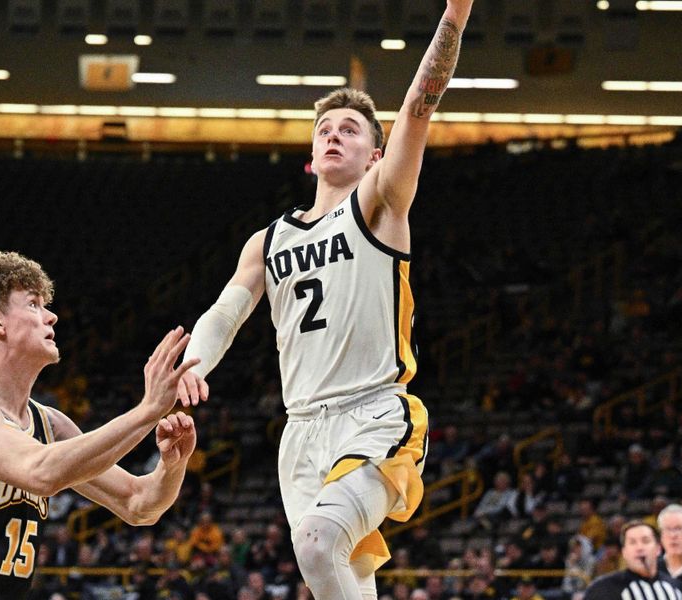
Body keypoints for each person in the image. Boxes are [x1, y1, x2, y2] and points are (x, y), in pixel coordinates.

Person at [176, 1, 475, 597]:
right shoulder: (268, 241)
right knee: (337, 577)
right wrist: (193, 363)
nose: (335, 136)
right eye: (325, 131)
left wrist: (456, 15)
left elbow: (419, 106)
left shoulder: (381, 203)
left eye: (351, 130)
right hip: (301, 430)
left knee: (317, 541)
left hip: (374, 413)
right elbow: (226, 314)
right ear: (311, 157)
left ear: (376, 156)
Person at [0, 250, 198, 598]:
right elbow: (40, 473)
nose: (51, 317)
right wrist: (147, 411)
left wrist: (173, 465)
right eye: (33, 304)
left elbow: (140, 505)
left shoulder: (49, 424)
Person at [583, 520, 682, 599]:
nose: (639, 547)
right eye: (632, 542)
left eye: (645, 541)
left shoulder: (676, 587)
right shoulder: (602, 589)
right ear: (624, 552)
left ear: (658, 548)